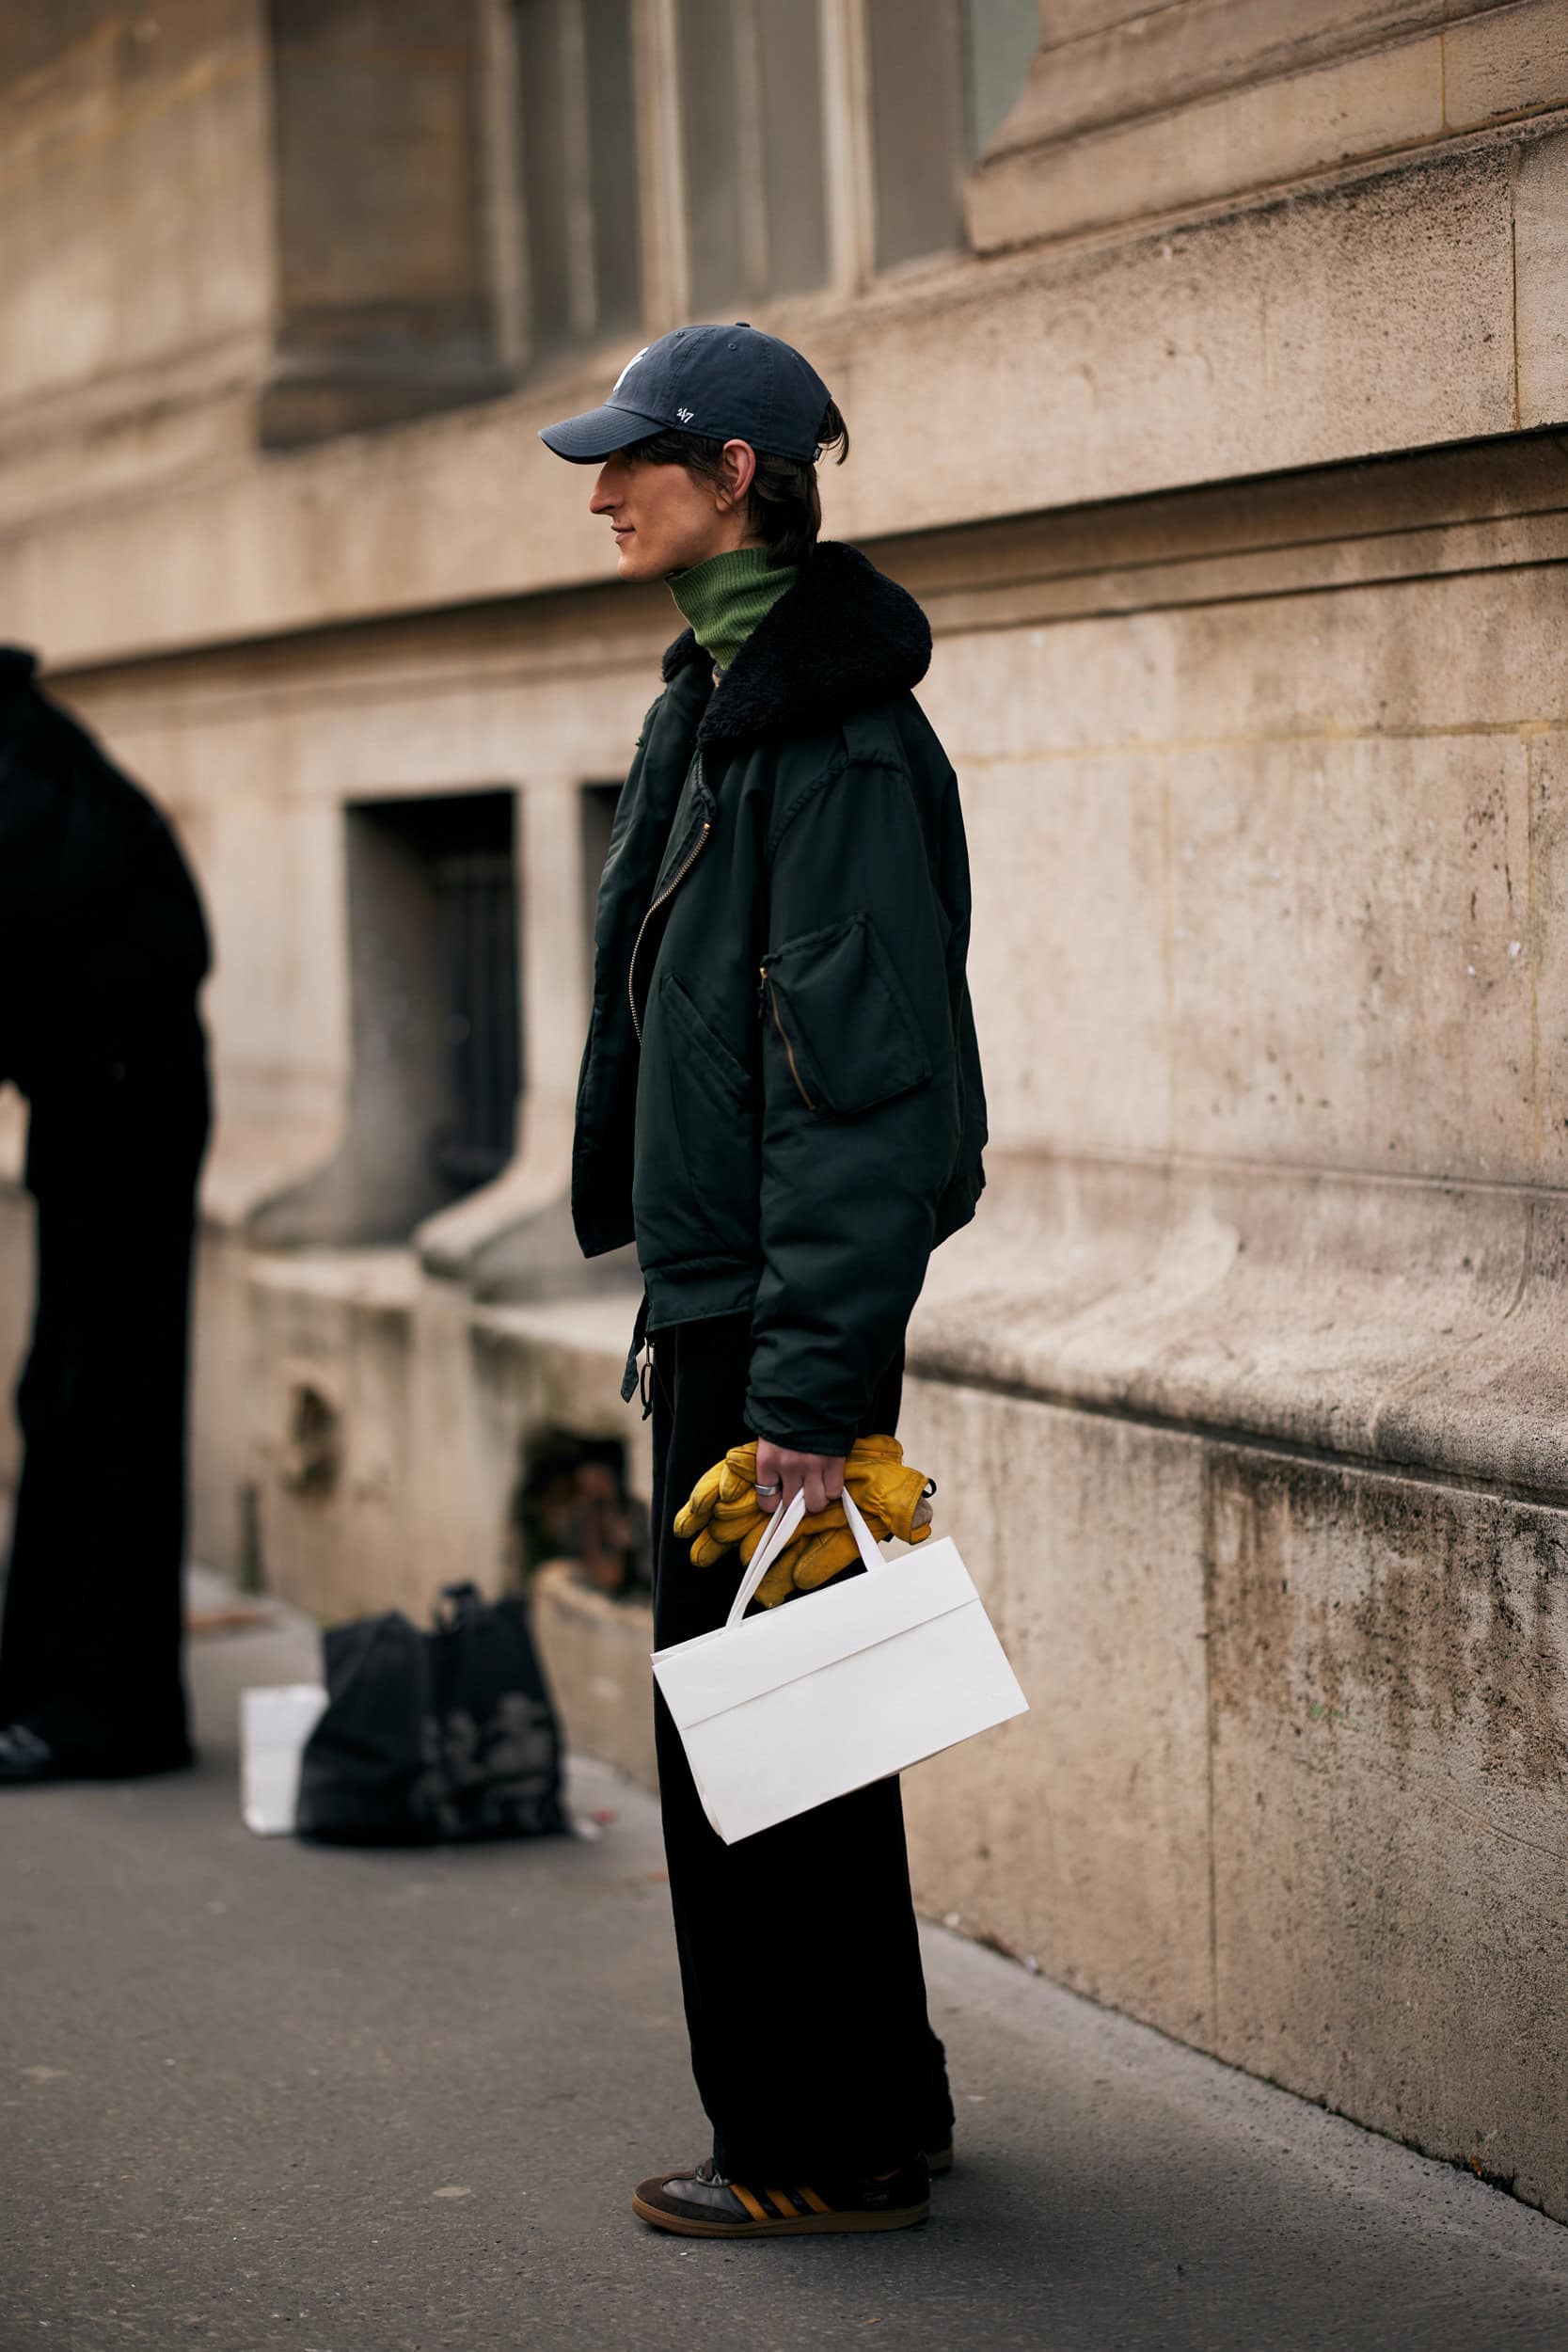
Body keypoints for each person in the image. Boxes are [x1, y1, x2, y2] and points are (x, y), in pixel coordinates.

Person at [540, 323, 987, 2237]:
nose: (596, 490)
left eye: (631, 458)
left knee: (765, 1750)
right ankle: (869, 2107)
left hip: (773, 1317)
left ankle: (809, 2145)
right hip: (725, 1295)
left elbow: (864, 1098)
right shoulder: (710, 698)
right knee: (797, 1718)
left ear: (735, 475)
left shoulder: (827, 739)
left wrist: (807, 1394)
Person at [0, 647, 211, 1785]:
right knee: (69, 1391)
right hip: (99, 1092)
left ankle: (101, 1710)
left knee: (102, 1397)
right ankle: (51, 1685)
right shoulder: (28, 749)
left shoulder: (26, 766)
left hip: (125, 1099)